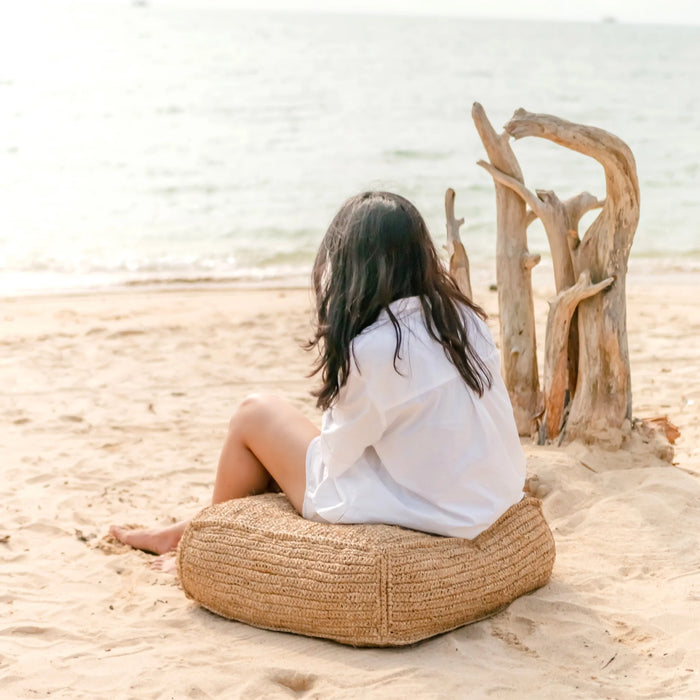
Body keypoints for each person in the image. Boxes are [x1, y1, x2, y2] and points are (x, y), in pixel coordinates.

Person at [109, 191, 525, 561]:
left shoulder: (378, 349)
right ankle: (195, 527)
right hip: (491, 496)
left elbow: (336, 456)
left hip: (436, 512)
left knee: (253, 414)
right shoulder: (463, 318)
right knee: (283, 435)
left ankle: (203, 540)